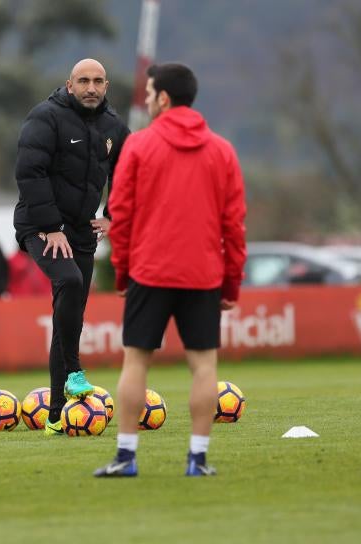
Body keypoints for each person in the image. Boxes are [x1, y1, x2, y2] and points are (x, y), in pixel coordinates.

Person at [94, 63, 246, 477]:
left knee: (136, 361)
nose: (145, 101)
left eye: (148, 94)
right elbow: (234, 225)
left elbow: (119, 215)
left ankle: (126, 457)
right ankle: (197, 459)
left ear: (163, 98)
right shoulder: (223, 151)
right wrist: (231, 283)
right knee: (204, 366)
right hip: (203, 275)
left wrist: (123, 273)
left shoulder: (139, 147)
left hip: (151, 271)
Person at [14, 58, 130, 436]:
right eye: (83, 81)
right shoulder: (45, 117)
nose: (91, 87)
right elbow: (29, 172)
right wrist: (51, 226)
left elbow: (129, 172)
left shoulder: (114, 126)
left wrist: (113, 215)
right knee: (69, 282)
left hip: (81, 230)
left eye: (97, 81)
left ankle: (54, 417)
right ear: (69, 84)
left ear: (106, 85)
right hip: (40, 225)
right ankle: (76, 372)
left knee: (71, 318)